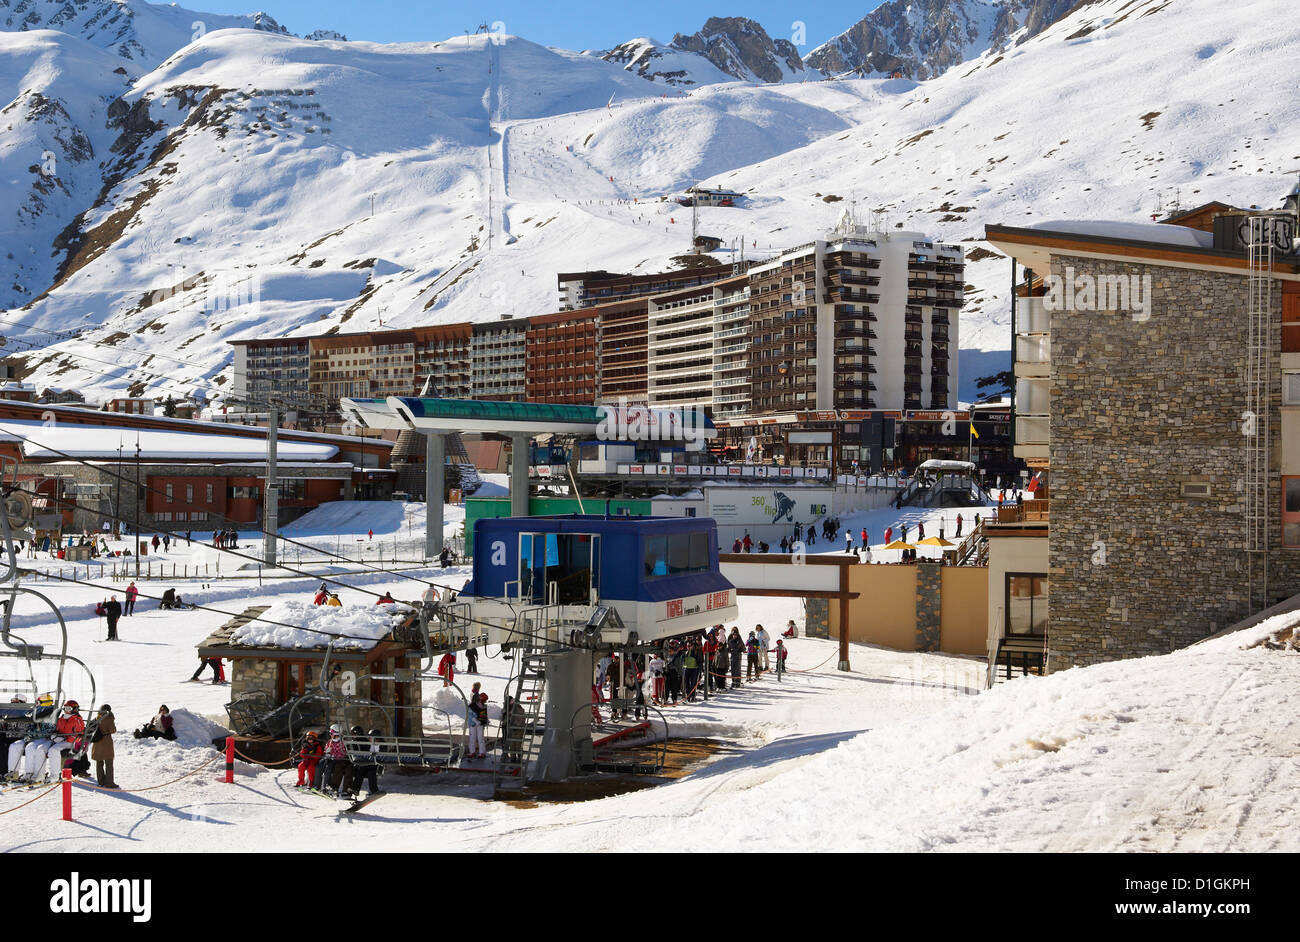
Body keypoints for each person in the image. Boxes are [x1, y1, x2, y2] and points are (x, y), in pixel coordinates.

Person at [341, 729, 383, 799]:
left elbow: (383, 755)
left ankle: (374, 790)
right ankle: (355, 789)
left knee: (371, 772)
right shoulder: (368, 744)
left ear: (376, 738)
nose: (369, 739)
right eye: (369, 737)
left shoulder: (382, 745)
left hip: (377, 764)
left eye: (370, 737)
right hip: (369, 762)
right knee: (361, 769)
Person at [315, 725, 349, 795]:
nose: (332, 736)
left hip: (337, 760)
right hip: (329, 758)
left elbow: (343, 753)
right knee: (319, 766)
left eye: (333, 735)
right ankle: (317, 786)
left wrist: (333, 755)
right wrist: (327, 752)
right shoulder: (330, 742)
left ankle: (326, 787)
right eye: (331, 734)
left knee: (328, 768)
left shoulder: (342, 743)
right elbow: (326, 750)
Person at [90, 704, 117, 789]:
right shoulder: (109, 718)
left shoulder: (97, 717)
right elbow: (113, 730)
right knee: (109, 763)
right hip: (106, 741)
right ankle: (109, 783)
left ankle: (101, 782)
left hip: (97, 742)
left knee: (99, 763)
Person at [467, 691, 489, 759]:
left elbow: (484, 714)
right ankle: (472, 752)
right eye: (484, 700)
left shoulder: (483, 706)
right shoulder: (472, 706)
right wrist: (476, 721)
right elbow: (470, 715)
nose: (485, 702)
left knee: (480, 738)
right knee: (472, 738)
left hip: (480, 724)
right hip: (473, 724)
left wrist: (485, 720)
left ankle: (482, 752)